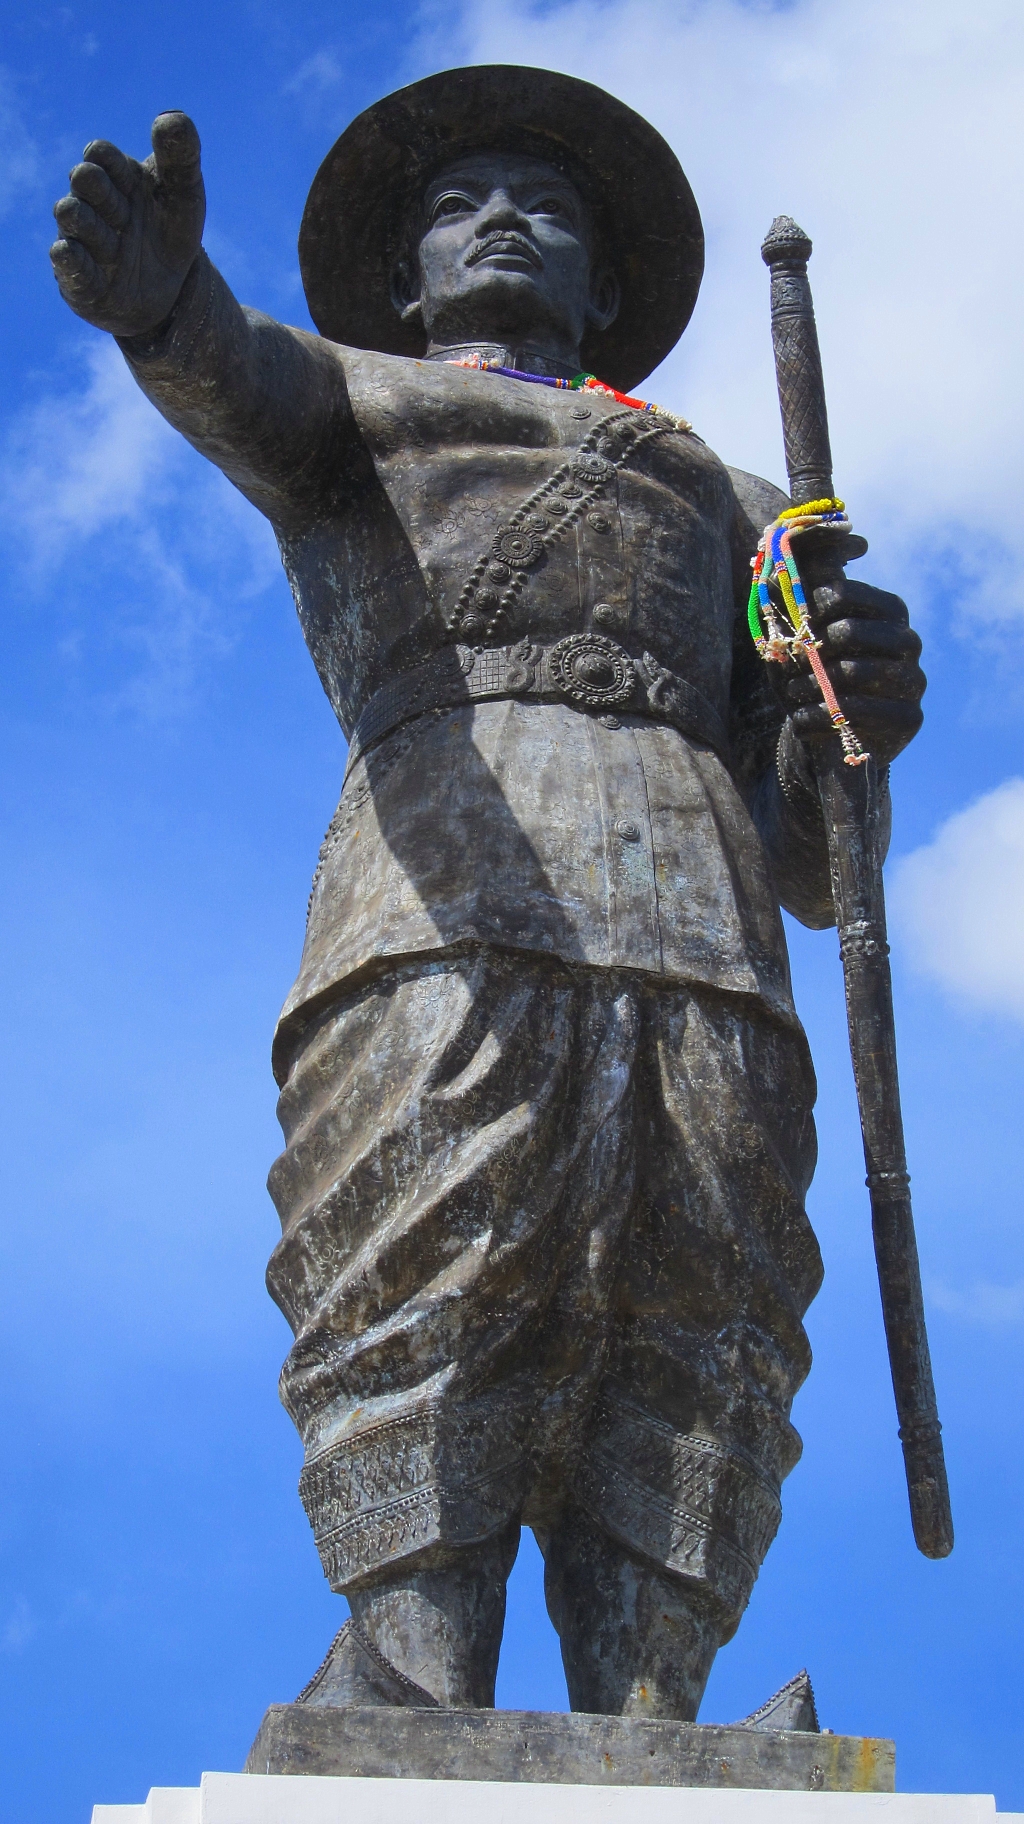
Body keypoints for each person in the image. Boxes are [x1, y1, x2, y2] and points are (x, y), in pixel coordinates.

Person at [50, 66, 925, 1720]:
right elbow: (238, 382)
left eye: (551, 205)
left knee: (704, 1262)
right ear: (406, 277)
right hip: (447, 873)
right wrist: (166, 314)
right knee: (426, 1232)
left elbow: (818, 856)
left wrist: (853, 714)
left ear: (605, 281)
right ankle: (410, 1663)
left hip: (705, 915)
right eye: (460, 203)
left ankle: (657, 1688)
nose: (506, 218)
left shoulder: (736, 508)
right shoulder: (360, 402)